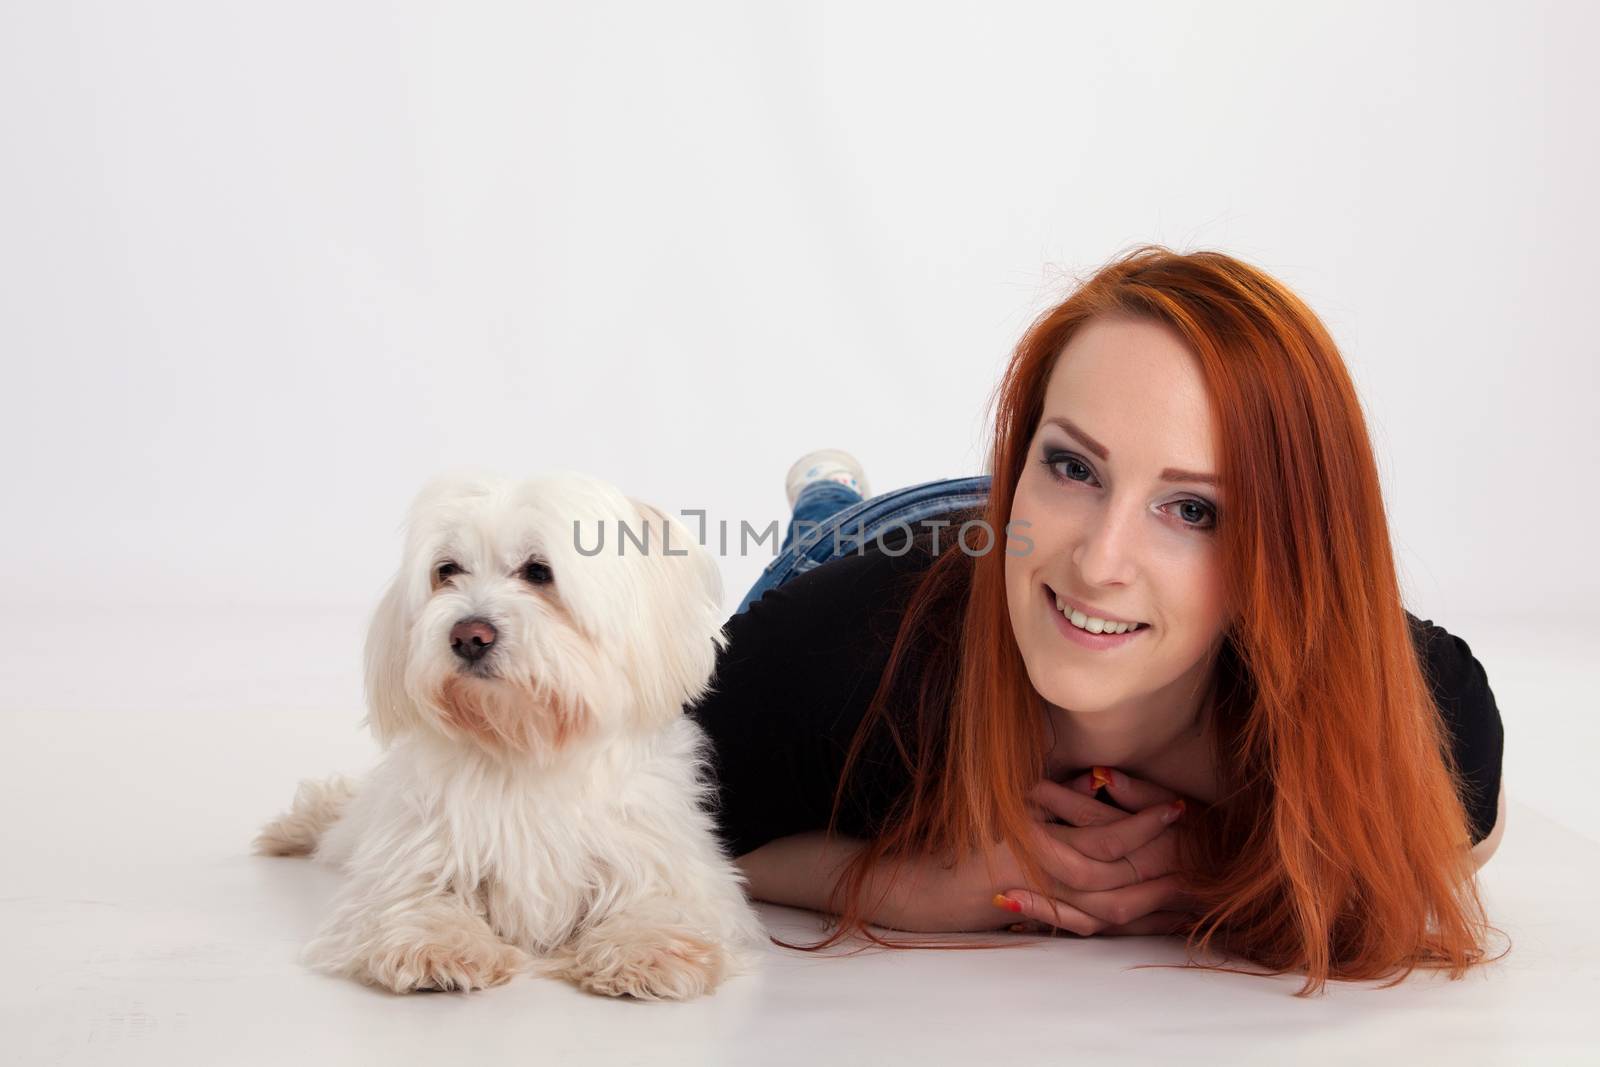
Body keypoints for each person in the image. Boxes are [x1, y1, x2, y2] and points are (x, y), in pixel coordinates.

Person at [684, 246, 1507, 996]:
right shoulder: (826, 657)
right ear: (1021, 452)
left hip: (1007, 547)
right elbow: (648, 830)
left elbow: (1463, 831)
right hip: (896, 550)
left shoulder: (1411, 700)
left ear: (1285, 558)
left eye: (1193, 508)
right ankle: (826, 494)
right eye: (1070, 462)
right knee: (831, 523)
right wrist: (900, 883)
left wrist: (1234, 859)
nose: (1101, 560)